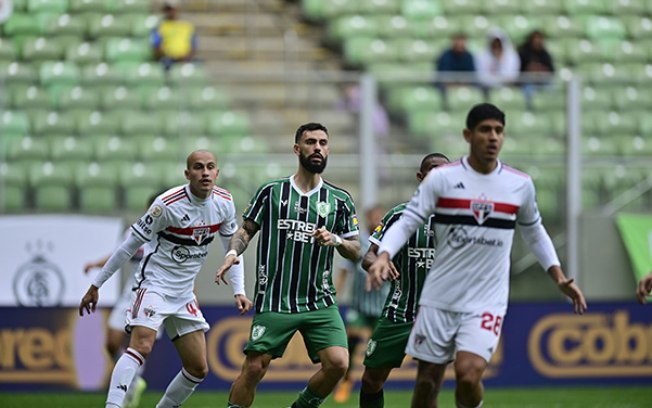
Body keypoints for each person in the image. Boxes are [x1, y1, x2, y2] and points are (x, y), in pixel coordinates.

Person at [368, 103, 587, 408]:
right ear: (468, 135)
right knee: (427, 383)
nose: (493, 137)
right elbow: (408, 221)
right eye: (486, 130)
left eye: (499, 131)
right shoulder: (442, 180)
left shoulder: (518, 185)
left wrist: (559, 277)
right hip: (438, 299)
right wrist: (384, 254)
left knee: (468, 375)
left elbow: (534, 231)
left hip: (486, 299)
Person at [79, 150, 252, 408]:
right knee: (142, 346)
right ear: (187, 173)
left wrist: (239, 290)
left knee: (197, 369)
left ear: (217, 172)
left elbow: (233, 250)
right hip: (154, 285)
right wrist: (96, 285)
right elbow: (128, 247)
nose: (205, 172)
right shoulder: (166, 205)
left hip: (184, 294)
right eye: (198, 167)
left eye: (210, 167)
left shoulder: (224, 202)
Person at [215, 122, 361, 408]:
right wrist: (232, 254)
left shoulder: (340, 200)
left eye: (322, 143)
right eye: (310, 142)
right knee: (255, 367)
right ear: (297, 149)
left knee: (339, 363)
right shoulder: (271, 192)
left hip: (319, 301)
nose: (317, 148)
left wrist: (336, 241)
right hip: (275, 298)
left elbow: (356, 250)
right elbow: (245, 231)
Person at [359, 153, 450, 408]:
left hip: (438, 315)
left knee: (427, 385)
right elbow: (368, 256)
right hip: (398, 311)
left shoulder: (461, 218)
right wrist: (380, 263)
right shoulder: (399, 215)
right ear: (420, 177)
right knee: (371, 380)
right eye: (433, 170)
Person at [83, 192, 162, 408]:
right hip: (130, 294)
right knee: (111, 342)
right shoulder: (136, 231)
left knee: (141, 344)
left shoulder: (171, 234)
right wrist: (96, 265)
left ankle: (126, 388)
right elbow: (118, 253)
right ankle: (133, 380)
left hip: (155, 296)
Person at [332, 205, 389, 404]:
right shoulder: (360, 243)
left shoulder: (391, 242)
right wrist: (336, 295)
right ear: (366, 220)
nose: (377, 221)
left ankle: (375, 382)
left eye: (380, 217)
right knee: (353, 340)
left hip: (383, 305)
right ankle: (346, 380)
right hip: (360, 304)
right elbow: (345, 269)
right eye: (374, 217)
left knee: (379, 348)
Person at [151, 0, 198, 70]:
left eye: (173, 9)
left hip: (185, 59)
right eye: (168, 9)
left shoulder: (187, 27)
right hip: (167, 60)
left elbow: (193, 46)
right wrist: (170, 56)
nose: (171, 12)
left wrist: (186, 57)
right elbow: (157, 46)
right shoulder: (159, 27)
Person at [517, 30, 555, 109]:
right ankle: (530, 109)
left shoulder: (545, 53)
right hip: (528, 80)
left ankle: (548, 107)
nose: (537, 41)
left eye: (539, 38)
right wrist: (529, 69)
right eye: (535, 38)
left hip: (542, 80)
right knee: (528, 89)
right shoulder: (524, 52)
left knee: (551, 88)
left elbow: (551, 70)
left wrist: (542, 69)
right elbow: (519, 69)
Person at [475, 28, 521, 93]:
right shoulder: (482, 55)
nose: (496, 46)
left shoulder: (511, 56)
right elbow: (482, 76)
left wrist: (499, 61)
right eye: (494, 44)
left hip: (507, 88)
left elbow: (512, 76)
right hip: (487, 89)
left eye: (498, 44)